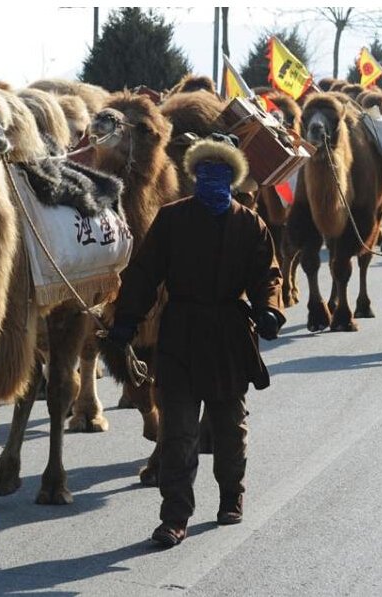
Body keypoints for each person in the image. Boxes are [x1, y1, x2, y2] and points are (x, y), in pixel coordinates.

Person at [106, 134, 285, 548]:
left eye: (220, 173)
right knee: (178, 432)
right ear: (194, 175)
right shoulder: (172, 219)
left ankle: (230, 495)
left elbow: (267, 275)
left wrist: (269, 308)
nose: (211, 179)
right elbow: (145, 273)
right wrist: (126, 321)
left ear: (233, 178)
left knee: (229, 429)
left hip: (229, 337)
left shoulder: (249, 223)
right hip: (180, 335)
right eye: (204, 172)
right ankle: (174, 516)